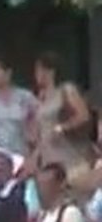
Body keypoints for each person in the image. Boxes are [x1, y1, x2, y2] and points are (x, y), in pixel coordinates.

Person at [34, 51, 94, 184]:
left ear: (49, 71)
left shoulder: (66, 90)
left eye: (39, 70)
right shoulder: (41, 97)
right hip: (49, 160)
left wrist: (62, 128)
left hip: (70, 156)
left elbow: (83, 115)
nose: (36, 75)